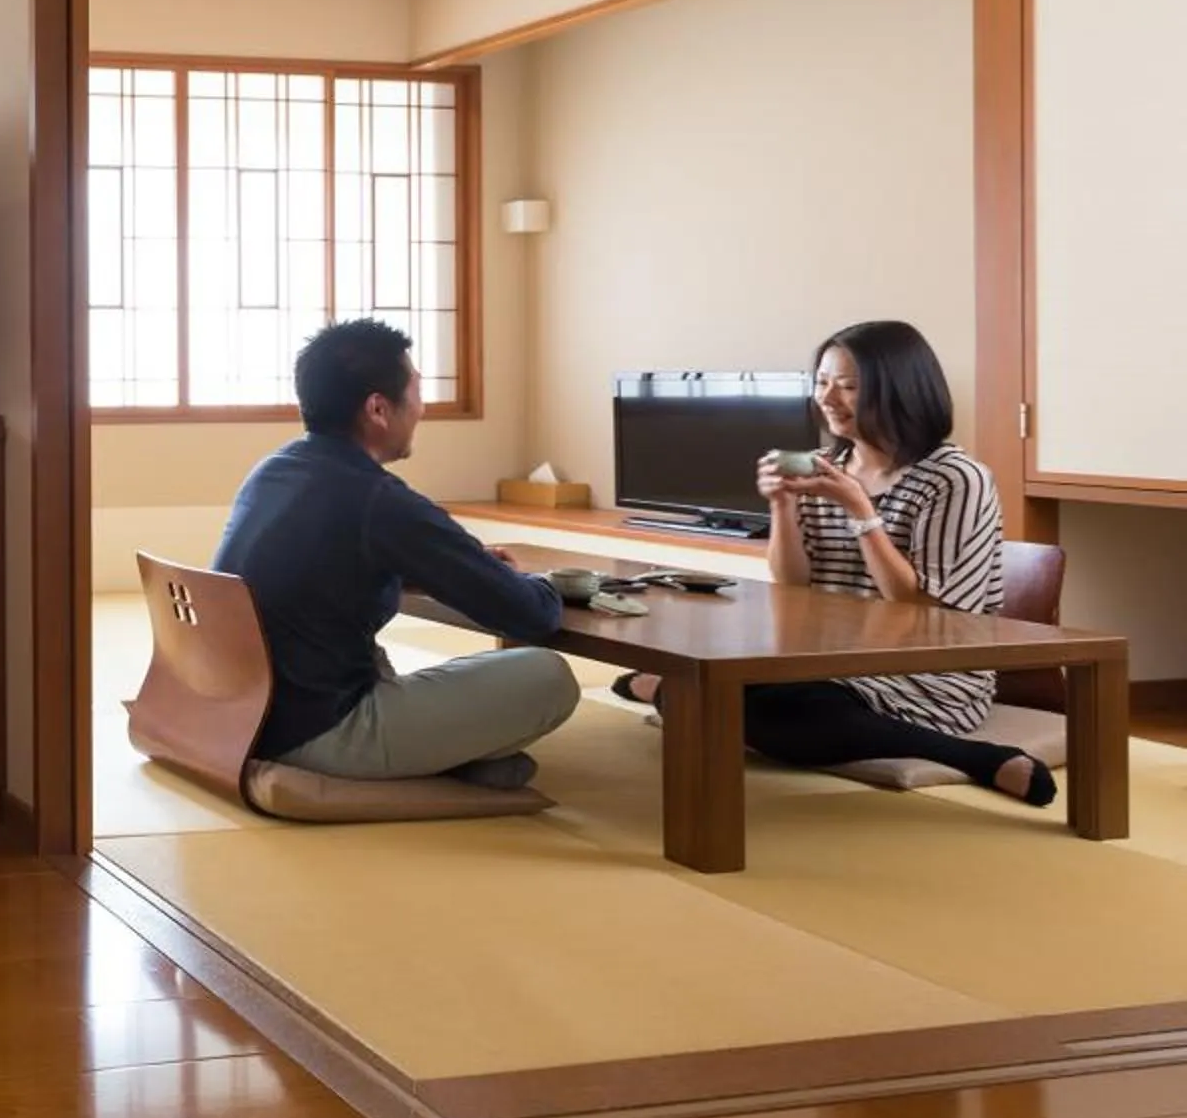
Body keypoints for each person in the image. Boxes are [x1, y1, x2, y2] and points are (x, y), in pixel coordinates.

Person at [611, 320, 1049, 805]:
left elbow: (925, 608)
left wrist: (862, 511)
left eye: (849, 386)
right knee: (720, 681)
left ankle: (975, 757)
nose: (828, 397)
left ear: (900, 390)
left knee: (766, 708)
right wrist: (780, 505)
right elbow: (794, 584)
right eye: (822, 382)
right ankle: (675, 694)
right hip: (826, 660)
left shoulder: (955, 478)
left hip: (927, 671)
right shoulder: (827, 466)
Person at [217, 318, 582, 787]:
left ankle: (453, 758)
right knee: (548, 676)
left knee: (465, 678)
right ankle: (439, 760)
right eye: (415, 392)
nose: (422, 409)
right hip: (319, 732)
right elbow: (529, 615)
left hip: (243, 715)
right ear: (378, 408)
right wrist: (546, 584)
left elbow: (324, 563)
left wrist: (435, 567)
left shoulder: (274, 469)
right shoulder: (378, 500)